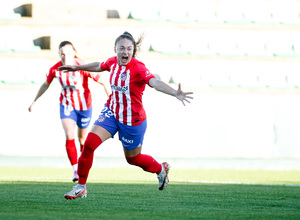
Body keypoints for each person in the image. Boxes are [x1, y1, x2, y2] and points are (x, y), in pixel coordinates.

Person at [59, 32, 193, 200]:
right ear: (115, 49)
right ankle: (81, 187)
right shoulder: (112, 62)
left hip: (132, 120)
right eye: (122, 48)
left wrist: (175, 93)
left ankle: (160, 169)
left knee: (133, 159)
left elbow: (155, 82)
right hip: (112, 112)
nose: (125, 52)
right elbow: (98, 66)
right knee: (89, 144)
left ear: (133, 50)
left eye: (129, 48)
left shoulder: (138, 68)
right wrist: (77, 67)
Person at [28, 41, 110, 182]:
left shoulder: (82, 66)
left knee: (83, 140)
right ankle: (75, 170)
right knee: (69, 134)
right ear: (59, 54)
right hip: (67, 106)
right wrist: (34, 101)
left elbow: (103, 82)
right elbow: (45, 84)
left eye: (69, 53)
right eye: (63, 54)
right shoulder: (56, 69)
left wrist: (111, 100)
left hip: (84, 107)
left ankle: (84, 165)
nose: (66, 57)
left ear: (74, 53)